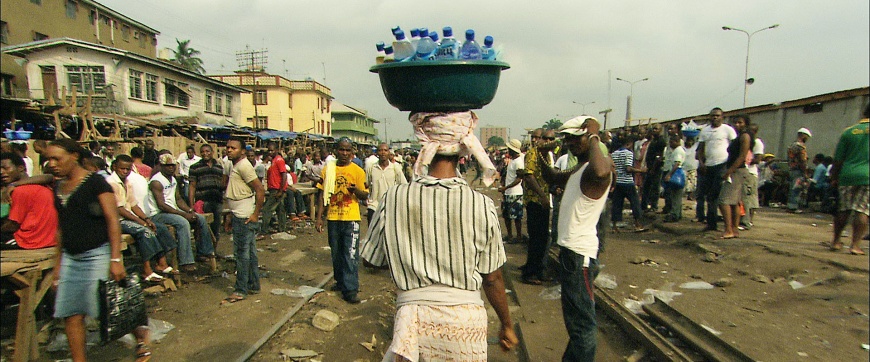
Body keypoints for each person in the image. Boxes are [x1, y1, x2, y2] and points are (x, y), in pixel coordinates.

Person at [360, 113, 517, 361]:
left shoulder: (394, 198)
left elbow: (371, 260)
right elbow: (492, 278)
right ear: (463, 151)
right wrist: (506, 324)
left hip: (414, 321)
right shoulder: (481, 204)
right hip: (465, 325)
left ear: (425, 145)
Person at [46, 139, 151, 362]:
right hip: (71, 257)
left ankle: (140, 337)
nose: (52, 164)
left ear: (74, 156)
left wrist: (115, 258)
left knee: (110, 305)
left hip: (97, 254)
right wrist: (58, 266)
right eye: (49, 159)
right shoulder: (59, 187)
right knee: (71, 313)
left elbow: (113, 220)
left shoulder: (97, 184)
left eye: (57, 158)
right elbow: (60, 229)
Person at [539, 116, 612, 361]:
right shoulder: (580, 168)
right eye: (567, 139)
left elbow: (602, 169)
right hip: (573, 253)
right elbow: (551, 176)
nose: (570, 143)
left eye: (576, 137)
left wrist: (593, 135)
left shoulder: (597, 169)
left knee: (582, 326)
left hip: (579, 254)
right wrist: (540, 152)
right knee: (576, 322)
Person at [315, 138, 369, 304]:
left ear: (352, 152)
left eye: (347, 150)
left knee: (350, 254)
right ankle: (340, 282)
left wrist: (356, 191)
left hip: (351, 218)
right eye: (341, 150)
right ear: (336, 151)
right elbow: (321, 194)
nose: (344, 153)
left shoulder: (358, 171)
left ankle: (351, 289)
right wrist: (319, 219)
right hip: (333, 217)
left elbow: (365, 194)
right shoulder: (328, 170)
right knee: (336, 253)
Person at [107, 155, 177, 282]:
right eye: (122, 169)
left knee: (159, 227)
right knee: (144, 231)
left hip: (127, 218)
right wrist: (140, 222)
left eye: (128, 169)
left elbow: (133, 205)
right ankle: (147, 270)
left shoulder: (127, 182)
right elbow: (120, 209)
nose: (125, 171)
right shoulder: (111, 183)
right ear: (115, 167)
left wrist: (146, 219)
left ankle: (161, 263)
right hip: (116, 221)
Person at [144, 153, 215, 273]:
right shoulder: (156, 181)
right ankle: (185, 261)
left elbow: (178, 199)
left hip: (172, 211)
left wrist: (189, 210)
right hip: (157, 214)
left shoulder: (173, 179)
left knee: (200, 219)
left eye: (173, 165)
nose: (171, 168)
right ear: (161, 166)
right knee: (183, 223)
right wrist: (183, 214)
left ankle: (205, 251)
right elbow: (161, 205)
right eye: (168, 166)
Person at [221, 139, 265, 303]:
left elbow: (260, 189)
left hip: (244, 215)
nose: (229, 150)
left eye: (233, 148)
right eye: (228, 147)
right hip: (240, 212)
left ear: (242, 151)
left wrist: (255, 214)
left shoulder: (244, 166)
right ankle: (253, 284)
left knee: (241, 254)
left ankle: (241, 290)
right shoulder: (235, 165)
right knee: (250, 253)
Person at [828, 105, 869, 255]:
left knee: (843, 208)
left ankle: (836, 241)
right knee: (862, 210)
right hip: (867, 177)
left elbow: (838, 160)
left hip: (847, 175)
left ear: (864, 112)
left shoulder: (849, 132)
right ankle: (855, 245)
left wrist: (834, 177)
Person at [1, 152, 57, 250]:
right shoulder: (42, 185)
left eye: (5, 168)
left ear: (21, 168)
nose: (1, 172)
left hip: (30, 240)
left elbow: (13, 225)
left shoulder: (20, 191)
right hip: (49, 239)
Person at [696, 107, 737, 231]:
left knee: (718, 194)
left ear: (722, 117)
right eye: (713, 115)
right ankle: (711, 223)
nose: (715, 117)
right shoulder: (704, 131)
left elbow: (734, 147)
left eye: (718, 115)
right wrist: (702, 163)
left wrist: (731, 164)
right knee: (710, 195)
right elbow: (700, 148)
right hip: (708, 165)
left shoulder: (727, 130)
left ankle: (730, 225)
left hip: (722, 164)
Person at [519, 128, 551, 285]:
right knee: (537, 238)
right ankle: (530, 273)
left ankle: (537, 269)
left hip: (543, 200)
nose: (536, 140)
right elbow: (529, 177)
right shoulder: (533, 153)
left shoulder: (546, 156)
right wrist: (543, 195)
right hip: (535, 201)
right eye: (542, 138)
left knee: (542, 238)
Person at [718, 115, 755, 239]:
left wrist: (729, 171)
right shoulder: (739, 136)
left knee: (724, 200)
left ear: (746, 124)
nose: (737, 125)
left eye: (740, 122)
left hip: (737, 171)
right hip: (737, 170)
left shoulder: (745, 136)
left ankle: (729, 229)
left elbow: (741, 156)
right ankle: (734, 230)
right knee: (734, 202)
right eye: (735, 122)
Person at [188, 144, 227, 250]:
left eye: (207, 151)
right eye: (203, 152)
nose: (205, 153)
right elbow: (192, 186)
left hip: (217, 201)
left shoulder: (219, 167)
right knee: (202, 228)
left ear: (212, 152)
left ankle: (213, 251)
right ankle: (202, 252)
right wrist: (191, 205)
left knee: (215, 227)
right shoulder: (195, 167)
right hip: (203, 202)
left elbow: (222, 184)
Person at [609, 135, 647, 231]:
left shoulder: (614, 154)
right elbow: (628, 168)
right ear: (629, 144)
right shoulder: (628, 153)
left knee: (617, 204)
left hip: (617, 182)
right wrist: (641, 171)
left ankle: (614, 226)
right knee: (635, 203)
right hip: (627, 182)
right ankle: (638, 224)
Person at [364, 143, 407, 224]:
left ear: (389, 153)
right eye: (380, 150)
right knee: (372, 234)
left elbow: (403, 185)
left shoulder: (395, 168)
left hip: (390, 206)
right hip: (374, 206)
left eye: (385, 150)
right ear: (377, 153)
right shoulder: (371, 168)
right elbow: (367, 184)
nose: (383, 152)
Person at [499, 139, 525, 243]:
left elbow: (519, 178)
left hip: (515, 193)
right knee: (507, 216)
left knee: (516, 217)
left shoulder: (518, 162)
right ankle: (510, 236)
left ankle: (518, 237)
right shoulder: (513, 161)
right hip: (509, 192)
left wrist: (506, 187)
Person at [261, 142, 288, 235]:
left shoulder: (279, 160)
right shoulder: (273, 161)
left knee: (266, 209)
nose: (270, 152)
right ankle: (282, 228)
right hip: (273, 188)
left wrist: (281, 190)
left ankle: (263, 230)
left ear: (276, 150)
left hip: (277, 189)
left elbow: (284, 175)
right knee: (280, 209)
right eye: (269, 150)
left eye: (272, 150)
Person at [741, 124, 764, 229]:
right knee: (748, 197)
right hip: (747, 172)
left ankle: (747, 221)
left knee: (748, 197)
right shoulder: (747, 142)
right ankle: (747, 220)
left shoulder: (757, 143)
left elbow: (758, 159)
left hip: (750, 173)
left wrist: (744, 161)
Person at [662, 134, 687, 222]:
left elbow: (677, 164)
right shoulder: (679, 150)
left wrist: (669, 174)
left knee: (675, 196)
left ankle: (675, 214)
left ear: (677, 142)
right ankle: (677, 214)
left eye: (671, 142)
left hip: (677, 174)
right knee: (677, 196)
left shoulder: (678, 151)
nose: (670, 144)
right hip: (679, 173)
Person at [640, 124, 666, 213]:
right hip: (650, 167)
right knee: (646, 187)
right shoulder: (653, 140)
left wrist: (653, 168)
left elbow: (659, 157)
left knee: (655, 187)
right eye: (653, 129)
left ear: (660, 130)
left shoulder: (661, 141)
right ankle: (644, 205)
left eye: (656, 129)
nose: (654, 130)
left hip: (656, 168)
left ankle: (654, 206)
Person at [787, 128, 812, 213]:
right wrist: (805, 172)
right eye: (807, 136)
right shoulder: (800, 146)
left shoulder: (792, 145)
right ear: (803, 135)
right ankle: (794, 207)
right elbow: (803, 160)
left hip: (791, 169)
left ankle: (790, 205)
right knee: (797, 189)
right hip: (798, 170)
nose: (807, 139)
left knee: (792, 188)